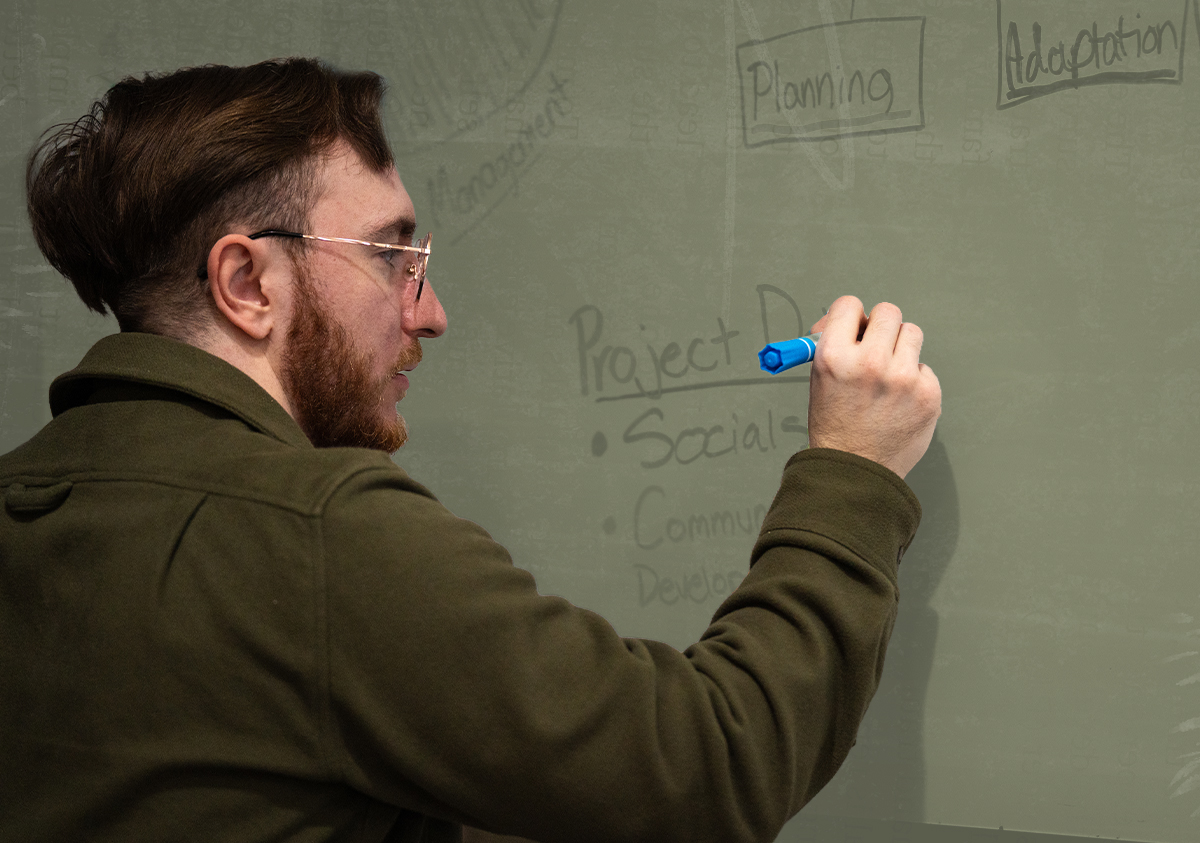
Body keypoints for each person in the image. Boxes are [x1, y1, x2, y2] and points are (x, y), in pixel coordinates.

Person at [0, 58, 941, 843]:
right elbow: (710, 764)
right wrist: (851, 472)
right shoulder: (317, 532)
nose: (431, 312)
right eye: (387, 254)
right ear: (247, 281)